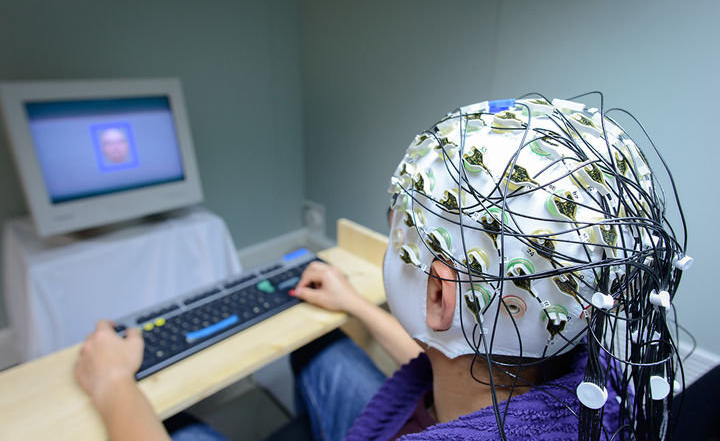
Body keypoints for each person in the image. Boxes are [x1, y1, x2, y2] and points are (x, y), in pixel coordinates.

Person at [75, 96, 688, 440]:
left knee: (188, 435)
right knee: (320, 355)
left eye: (399, 241)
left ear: (442, 295)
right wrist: (357, 305)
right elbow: (464, 366)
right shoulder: (596, 383)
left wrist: (111, 386)